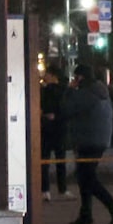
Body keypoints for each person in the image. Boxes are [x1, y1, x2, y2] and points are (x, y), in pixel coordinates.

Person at [62, 63, 113, 224]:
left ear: (81, 77)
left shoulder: (87, 93)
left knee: (87, 178)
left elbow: (66, 108)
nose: (75, 80)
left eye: (76, 77)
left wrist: (70, 89)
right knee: (84, 177)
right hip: (97, 139)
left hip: (88, 140)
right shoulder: (99, 91)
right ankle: (86, 214)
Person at [39, 66, 71, 201]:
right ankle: (62, 189)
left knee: (44, 161)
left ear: (53, 76)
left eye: (47, 73)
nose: (44, 76)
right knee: (60, 160)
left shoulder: (44, 91)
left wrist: (46, 116)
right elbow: (67, 110)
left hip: (46, 129)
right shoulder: (64, 91)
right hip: (60, 129)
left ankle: (45, 190)